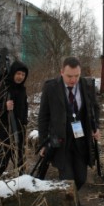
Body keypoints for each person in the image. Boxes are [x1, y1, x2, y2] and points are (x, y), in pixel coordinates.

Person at [37, 57, 100, 190]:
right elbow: (43, 117)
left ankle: (71, 200)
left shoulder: (86, 85)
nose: (73, 80)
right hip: (61, 141)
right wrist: (43, 143)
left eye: (76, 76)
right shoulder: (51, 87)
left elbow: (95, 108)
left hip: (81, 139)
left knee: (81, 178)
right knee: (67, 179)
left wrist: (96, 127)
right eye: (69, 76)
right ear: (61, 72)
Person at [0, 59, 29, 178]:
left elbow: (24, 109)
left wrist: (24, 124)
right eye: (18, 74)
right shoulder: (1, 87)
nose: (20, 77)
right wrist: (4, 106)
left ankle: (23, 184)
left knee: (20, 159)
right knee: (4, 157)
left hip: (18, 129)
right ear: (13, 73)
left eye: (23, 75)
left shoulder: (22, 90)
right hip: (2, 129)